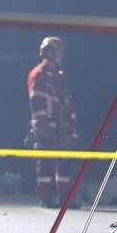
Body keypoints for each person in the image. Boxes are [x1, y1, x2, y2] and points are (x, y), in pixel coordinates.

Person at [27, 36, 79, 208]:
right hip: (45, 126)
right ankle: (46, 198)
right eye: (59, 52)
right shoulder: (38, 74)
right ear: (49, 53)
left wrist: (73, 123)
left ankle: (64, 199)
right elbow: (37, 101)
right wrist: (43, 124)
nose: (61, 56)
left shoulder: (58, 76)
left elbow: (66, 101)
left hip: (61, 126)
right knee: (46, 164)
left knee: (65, 163)